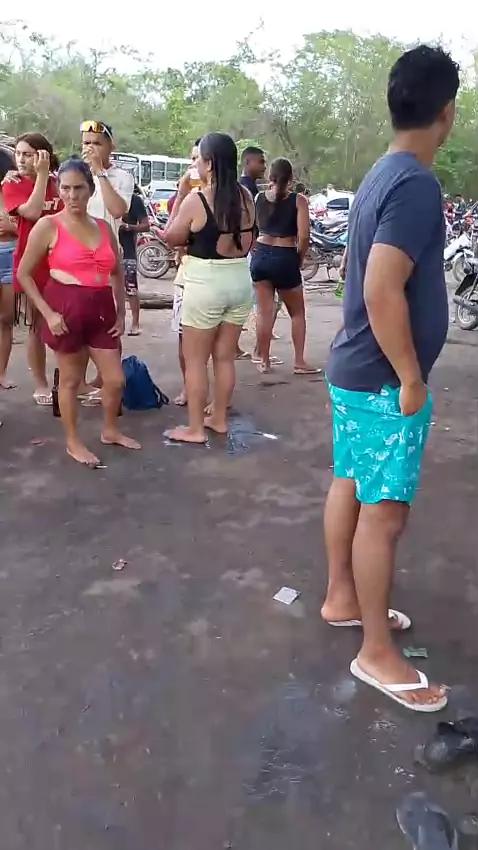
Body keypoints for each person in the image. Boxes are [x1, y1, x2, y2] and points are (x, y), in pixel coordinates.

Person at [322, 45, 459, 712]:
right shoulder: (416, 184)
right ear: (447, 113)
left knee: (350, 480)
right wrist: (410, 376)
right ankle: (375, 652)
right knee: (385, 514)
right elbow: (381, 287)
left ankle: (341, 597)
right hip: (380, 378)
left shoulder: (382, 172)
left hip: (353, 367)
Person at [17, 158, 140, 467]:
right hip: (65, 306)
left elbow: (116, 272)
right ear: (59, 189)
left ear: (90, 190)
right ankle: (73, 441)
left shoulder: (102, 227)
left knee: (115, 379)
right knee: (71, 380)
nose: (72, 196)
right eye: (66, 188)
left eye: (79, 188)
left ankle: (110, 430)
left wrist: (121, 313)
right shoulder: (49, 225)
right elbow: (24, 274)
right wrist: (48, 313)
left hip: (101, 307)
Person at [164, 132, 255, 443]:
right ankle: (218, 419)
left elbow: (171, 237)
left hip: (206, 283)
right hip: (240, 281)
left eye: (199, 160)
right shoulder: (246, 196)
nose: (197, 166)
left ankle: (194, 429)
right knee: (224, 357)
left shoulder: (198, 199)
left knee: (195, 361)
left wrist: (181, 193)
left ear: (210, 164)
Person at [2, 133, 62, 404]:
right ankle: (40, 383)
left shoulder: (59, 182)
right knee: (36, 325)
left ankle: (71, 380)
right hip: (31, 264)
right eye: (18, 154)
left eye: (28, 154)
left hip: (61, 261)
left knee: (66, 323)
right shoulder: (12, 184)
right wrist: (42, 176)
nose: (21, 159)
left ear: (43, 155)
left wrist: (49, 176)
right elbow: (33, 212)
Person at [250, 157, 318, 374]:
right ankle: (299, 362)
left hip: (260, 255)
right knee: (297, 313)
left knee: (264, 312)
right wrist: (299, 257)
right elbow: (304, 236)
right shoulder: (299, 201)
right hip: (285, 255)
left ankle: (264, 360)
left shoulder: (259, 197)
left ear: (270, 177)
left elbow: (252, 228)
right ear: (290, 178)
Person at [119, 184, 150, 335]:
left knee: (130, 288)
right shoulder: (102, 197)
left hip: (127, 251)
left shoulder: (134, 200)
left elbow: (146, 226)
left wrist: (127, 227)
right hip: (107, 250)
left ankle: (135, 323)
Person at [0, 147, 17, 389]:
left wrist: (12, 228)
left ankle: (1, 373)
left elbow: (29, 224)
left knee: (6, 318)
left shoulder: (13, 188)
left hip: (11, 253)